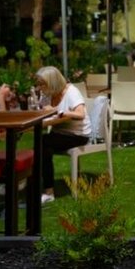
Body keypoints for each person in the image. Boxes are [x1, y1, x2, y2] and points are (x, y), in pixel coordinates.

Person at [35, 66, 90, 204]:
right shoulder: (48, 94)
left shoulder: (71, 92)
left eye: (42, 84)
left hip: (77, 134)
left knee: (43, 142)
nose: (39, 87)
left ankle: (46, 190)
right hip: (59, 133)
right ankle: (45, 188)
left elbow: (80, 114)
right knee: (43, 145)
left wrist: (58, 111)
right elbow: (42, 112)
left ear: (52, 82)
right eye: (39, 83)